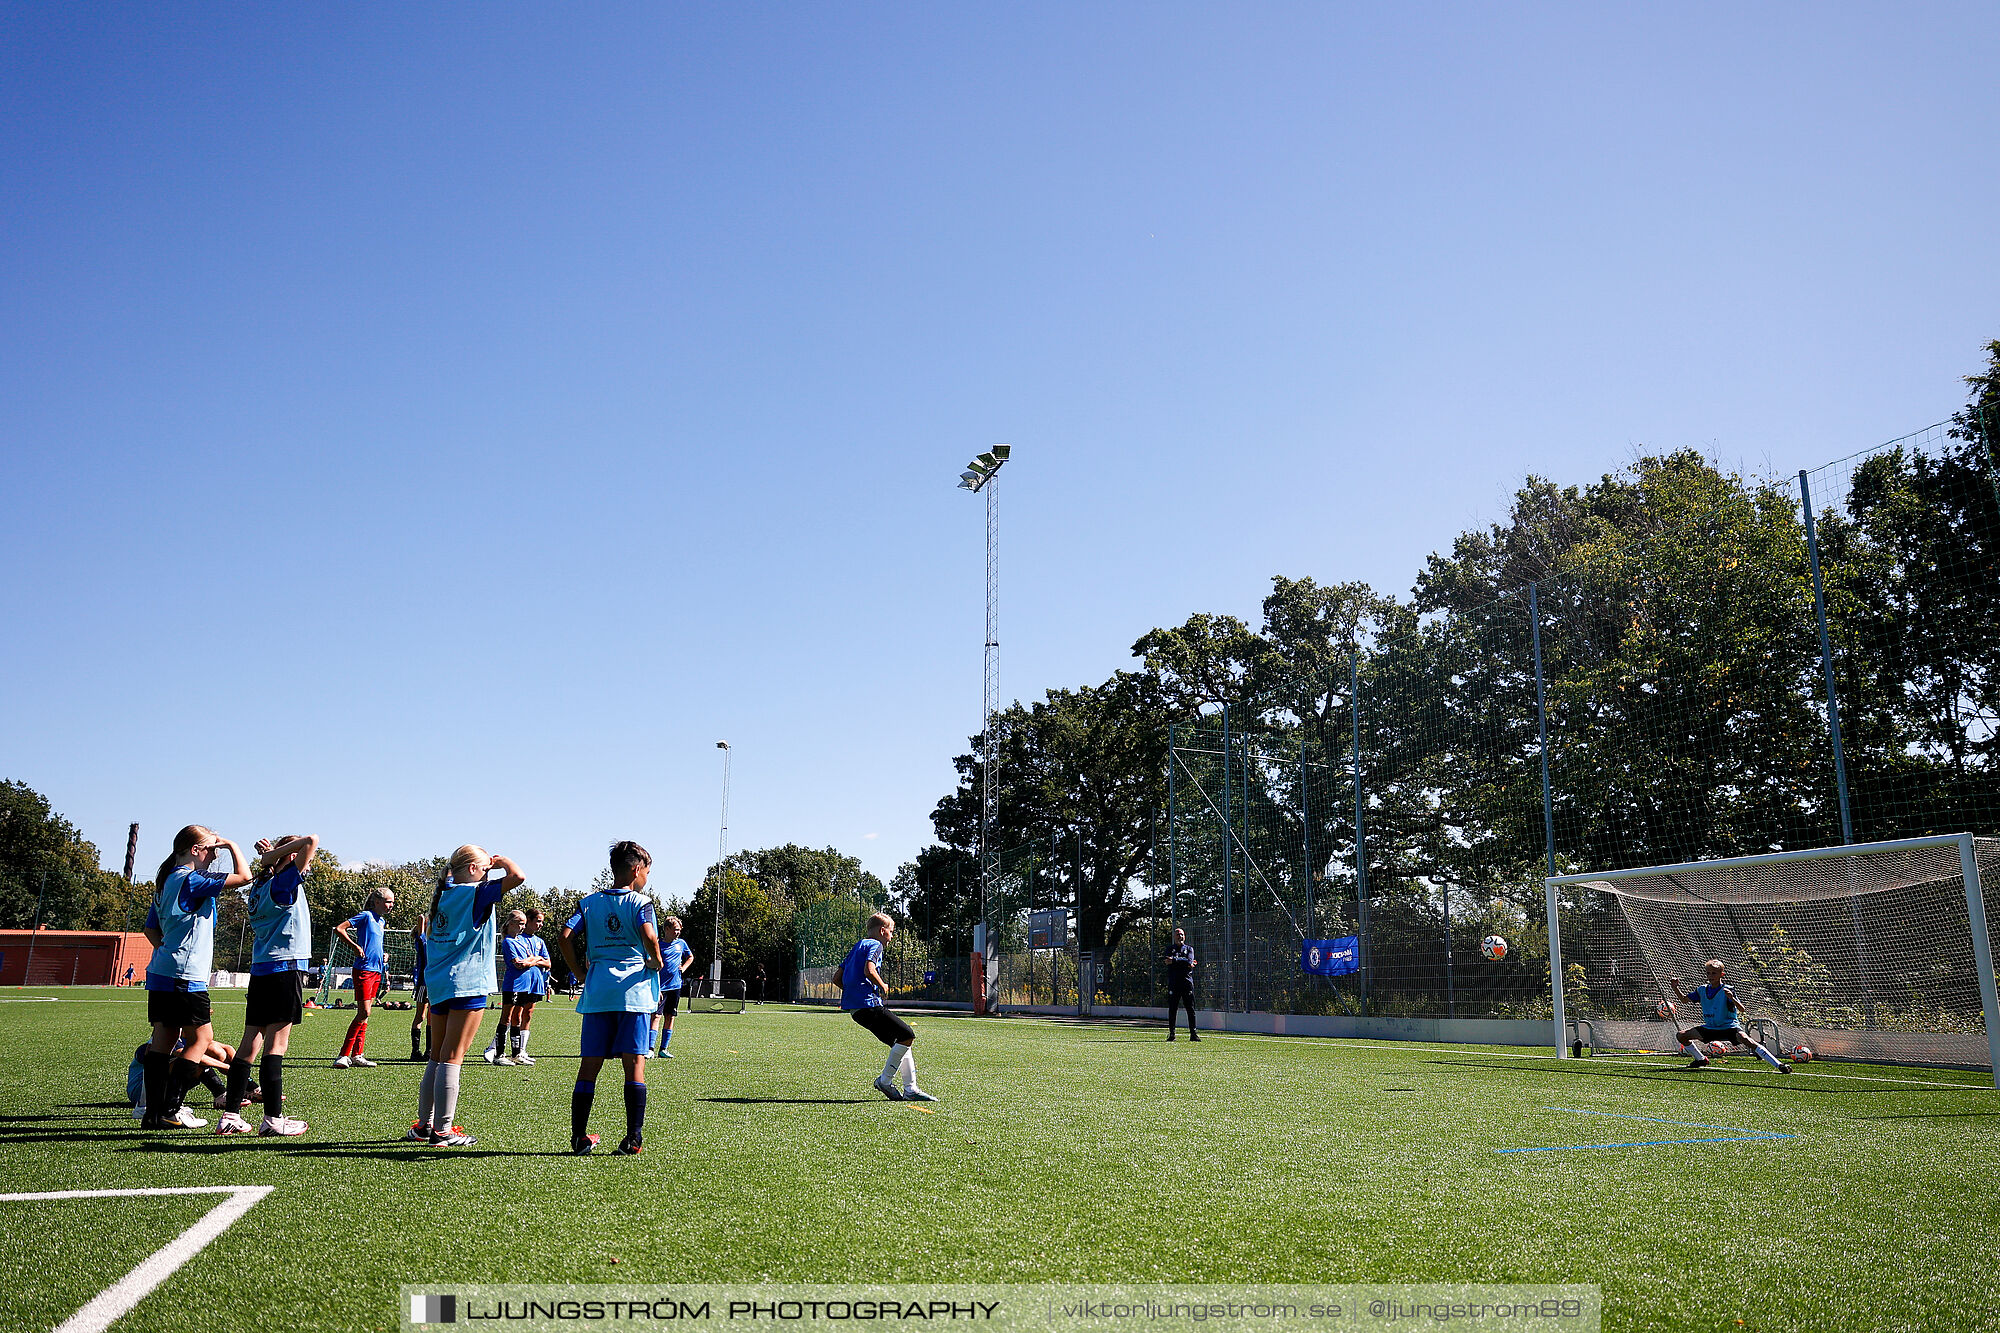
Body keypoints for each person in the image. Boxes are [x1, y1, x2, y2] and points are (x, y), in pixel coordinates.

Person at [140, 825, 255, 1130]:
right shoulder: (192, 879)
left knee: (162, 1042)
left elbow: (150, 929)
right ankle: (170, 1108)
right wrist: (232, 844)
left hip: (162, 972)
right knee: (201, 1039)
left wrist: (168, 949)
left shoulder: (165, 882)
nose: (215, 853)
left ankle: (153, 1114)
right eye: (211, 847)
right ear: (195, 850)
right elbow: (245, 877)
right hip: (184, 975)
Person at [407, 847, 522, 1146]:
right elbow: (518, 876)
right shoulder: (475, 893)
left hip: (440, 983)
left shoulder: (444, 892)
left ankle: (424, 1126)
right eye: (485, 867)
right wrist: (502, 862)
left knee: (437, 1056)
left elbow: (449, 874)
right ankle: (442, 1130)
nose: (489, 871)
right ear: (472, 869)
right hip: (467, 982)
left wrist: (482, 866)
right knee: (453, 1058)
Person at [560, 840, 664, 1155]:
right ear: (636, 870)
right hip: (633, 994)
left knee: (589, 1066)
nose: (647, 877)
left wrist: (578, 971)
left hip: (597, 993)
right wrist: (656, 960)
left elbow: (565, 936)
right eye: (647, 871)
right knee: (634, 1065)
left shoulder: (589, 902)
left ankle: (579, 1138)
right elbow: (648, 934)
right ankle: (633, 1139)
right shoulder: (641, 902)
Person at [216, 834, 318, 1136]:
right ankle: (273, 1119)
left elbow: (303, 853)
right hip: (284, 969)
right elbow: (311, 840)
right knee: (276, 1046)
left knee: (249, 1045)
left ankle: (231, 1115)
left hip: (262, 969)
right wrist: (275, 853)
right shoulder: (282, 883)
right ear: (288, 857)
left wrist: (274, 856)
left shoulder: (260, 886)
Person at [837, 912, 935, 1102]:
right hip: (869, 1005)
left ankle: (911, 1088)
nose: (891, 937)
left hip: (856, 1011)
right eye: (891, 932)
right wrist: (882, 985)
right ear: (883, 931)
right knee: (908, 1035)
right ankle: (885, 1081)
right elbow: (869, 969)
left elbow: (837, 978)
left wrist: (853, 992)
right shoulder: (876, 945)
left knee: (901, 1042)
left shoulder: (857, 946)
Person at [1666, 960, 1792, 1073]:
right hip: (1710, 1028)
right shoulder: (1702, 990)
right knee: (1681, 1035)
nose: (1710, 976)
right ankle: (1701, 1059)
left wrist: (1732, 998)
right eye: (1708, 973)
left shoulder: (1727, 990)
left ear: (1722, 974)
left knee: (1748, 1041)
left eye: (1714, 973)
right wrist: (1675, 988)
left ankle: (1779, 1065)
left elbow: (1742, 1009)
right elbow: (1684, 1000)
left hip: (1729, 1027)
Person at [333, 888, 394, 1068]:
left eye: (392, 903)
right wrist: (354, 947)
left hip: (376, 970)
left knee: (366, 1014)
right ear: (377, 901)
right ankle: (343, 1055)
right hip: (364, 970)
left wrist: (383, 955)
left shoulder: (381, 921)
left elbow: (374, 943)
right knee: (364, 1012)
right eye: (388, 902)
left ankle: (357, 1055)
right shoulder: (366, 916)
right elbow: (339, 929)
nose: (391, 906)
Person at [651, 916, 695, 1058]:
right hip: (660, 987)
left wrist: (683, 968)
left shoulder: (681, 943)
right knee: (656, 1016)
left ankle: (663, 1049)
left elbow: (690, 957)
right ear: (667, 929)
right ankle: (650, 1048)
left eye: (679, 930)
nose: (678, 933)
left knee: (670, 1016)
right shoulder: (657, 944)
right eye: (676, 930)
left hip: (675, 986)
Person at [1164, 927, 1199, 1041]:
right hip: (1174, 983)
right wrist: (1184, 962)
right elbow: (1168, 961)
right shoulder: (1169, 949)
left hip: (1187, 982)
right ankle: (1172, 1034)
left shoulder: (1189, 949)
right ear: (1174, 937)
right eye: (1178, 934)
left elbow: (1190, 961)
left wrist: (1174, 960)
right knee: (1173, 1008)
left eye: (1182, 934)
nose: (1180, 936)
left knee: (1190, 1008)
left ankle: (1193, 1034)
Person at [408, 909, 430, 1062]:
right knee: (421, 1016)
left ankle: (430, 1050)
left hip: (435, 983)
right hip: (424, 983)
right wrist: (422, 921)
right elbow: (421, 923)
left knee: (432, 1017)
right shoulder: (421, 941)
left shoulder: (434, 940)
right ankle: (415, 1051)